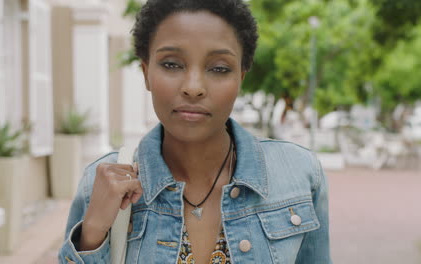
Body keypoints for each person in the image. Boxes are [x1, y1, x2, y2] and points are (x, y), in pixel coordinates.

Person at [59, 0, 331, 263]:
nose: (193, 87)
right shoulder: (101, 184)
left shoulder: (298, 175)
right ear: (146, 73)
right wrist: (92, 235)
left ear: (240, 78)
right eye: (172, 64)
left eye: (219, 68)